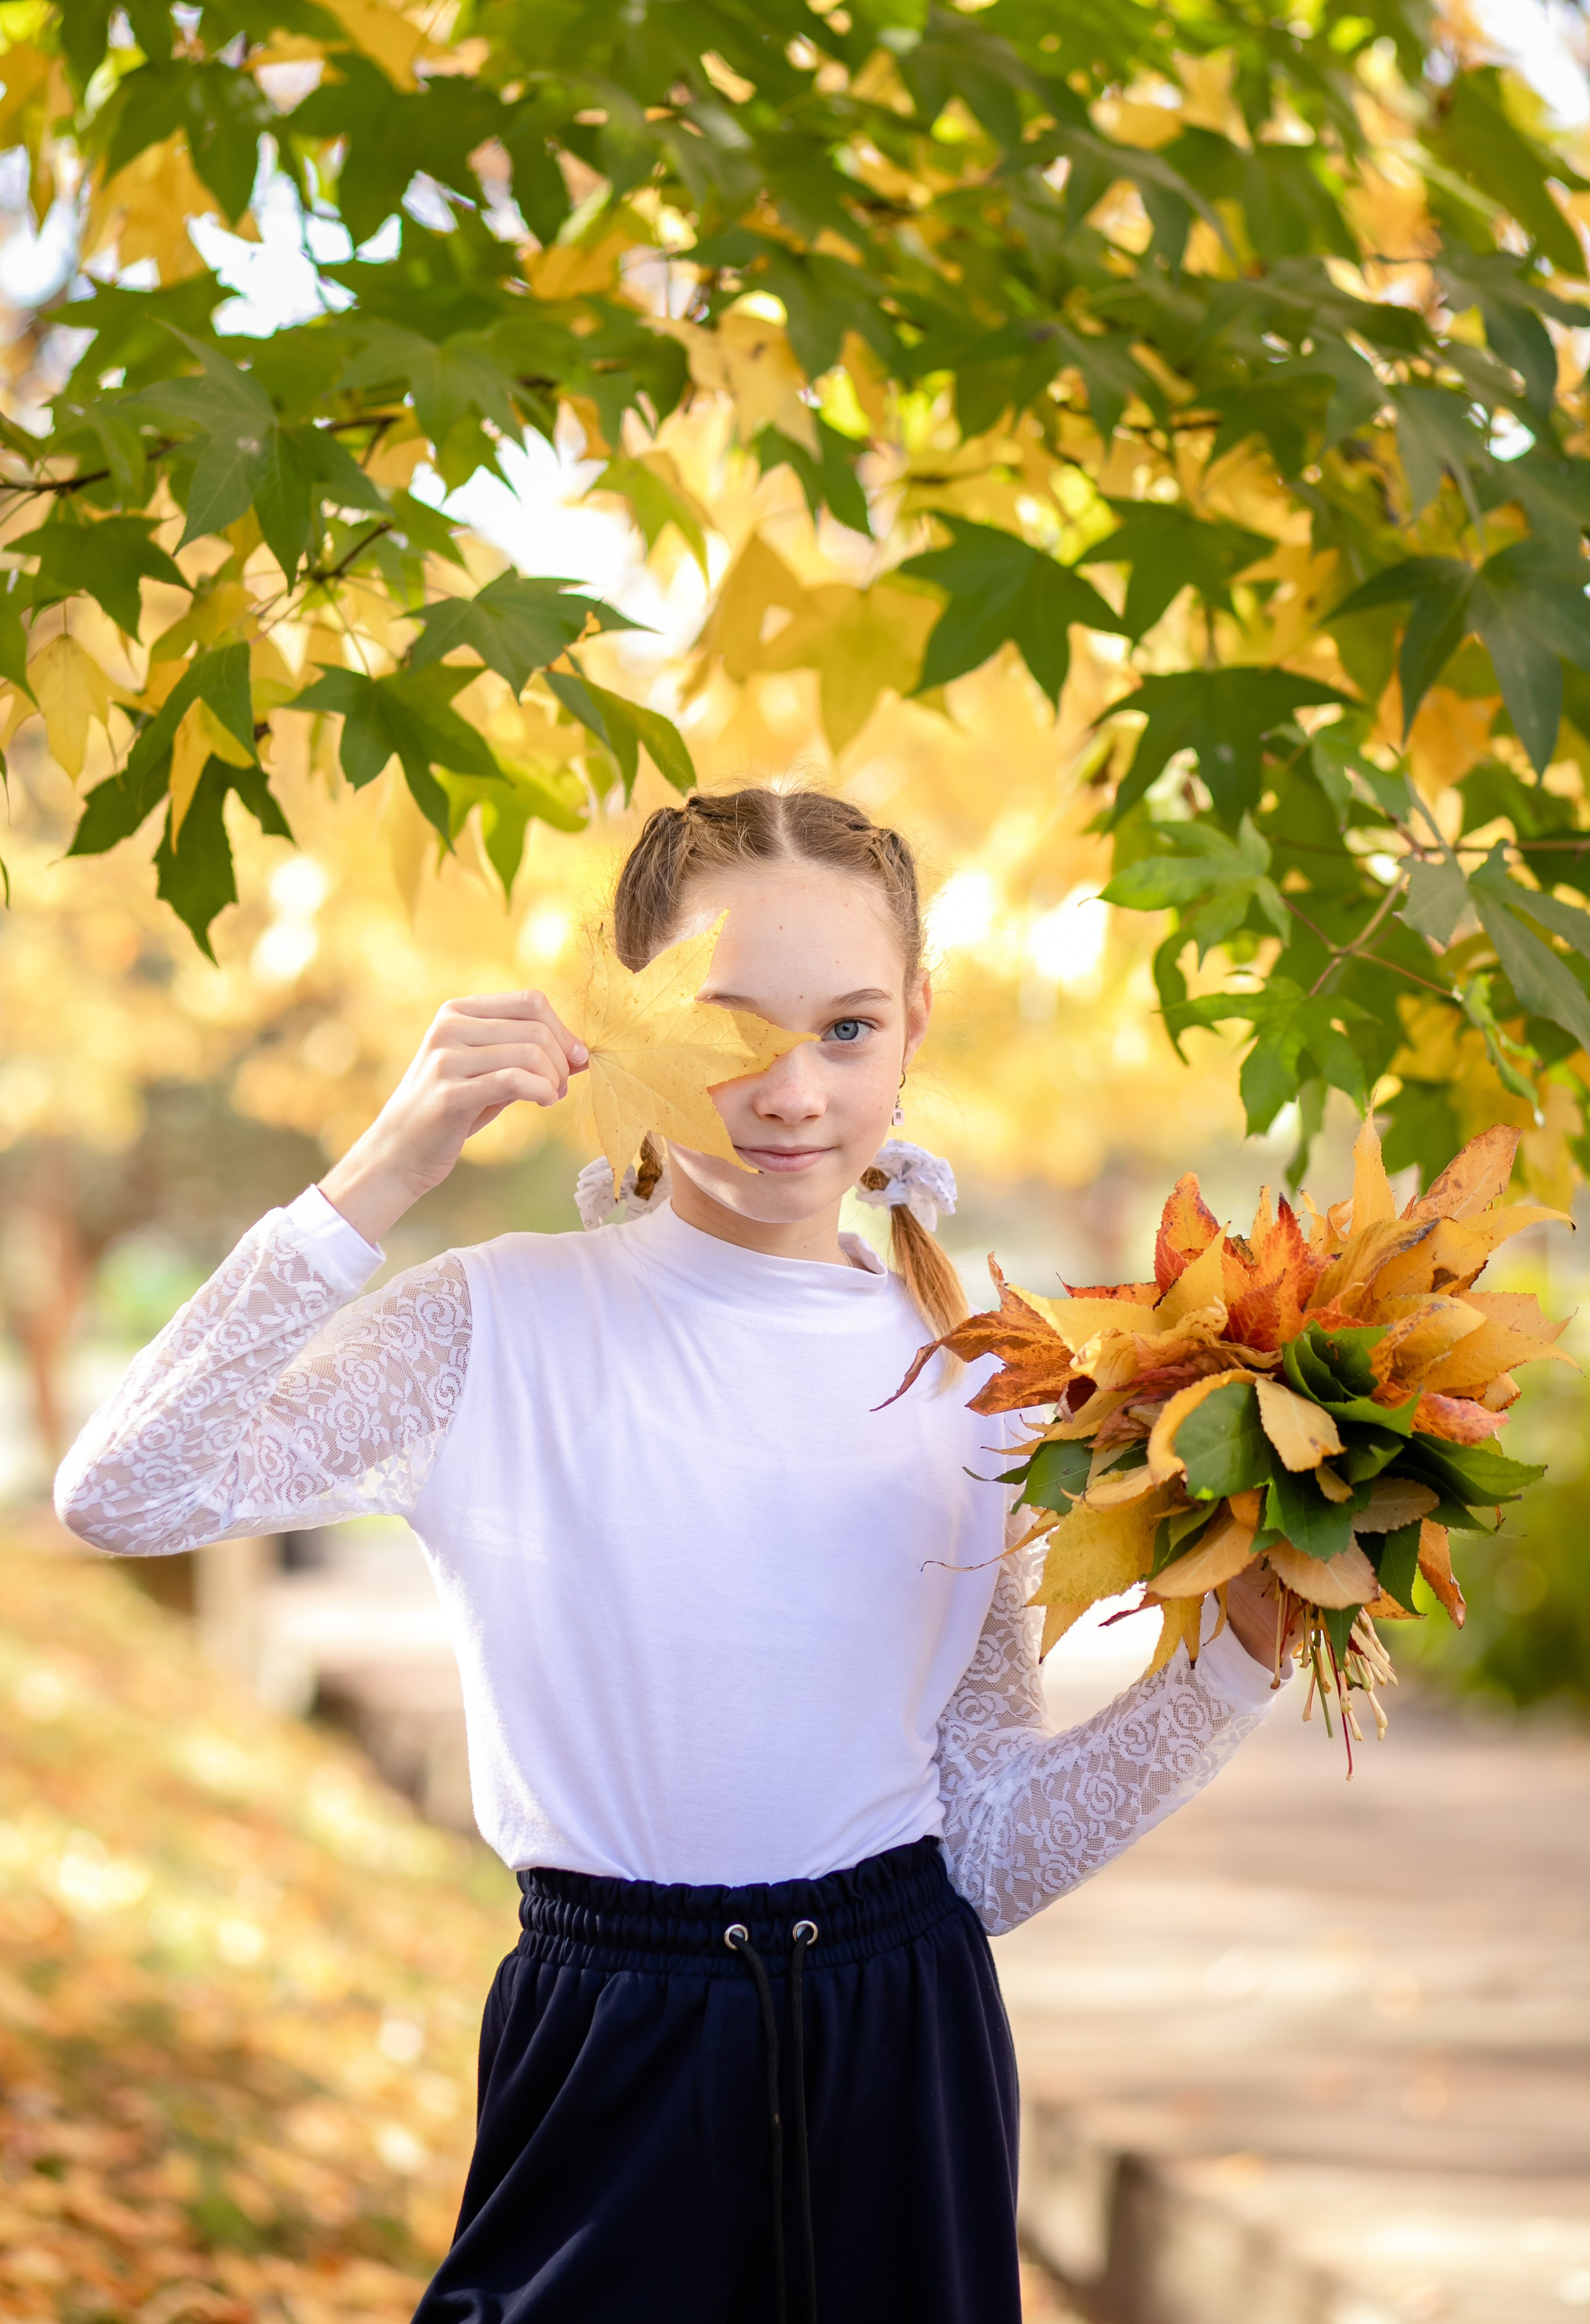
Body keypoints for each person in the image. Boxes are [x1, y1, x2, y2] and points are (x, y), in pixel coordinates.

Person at [57, 786, 1285, 2324]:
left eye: (845, 1030)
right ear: (613, 1017)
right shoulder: (490, 1326)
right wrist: (381, 1172)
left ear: (914, 1024)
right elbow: (124, 1491)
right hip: (610, 2036)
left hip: (901, 2044)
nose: (789, 1092)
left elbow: (985, 1849)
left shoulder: (985, 1379)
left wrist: (1237, 1663)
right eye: (728, 1031)